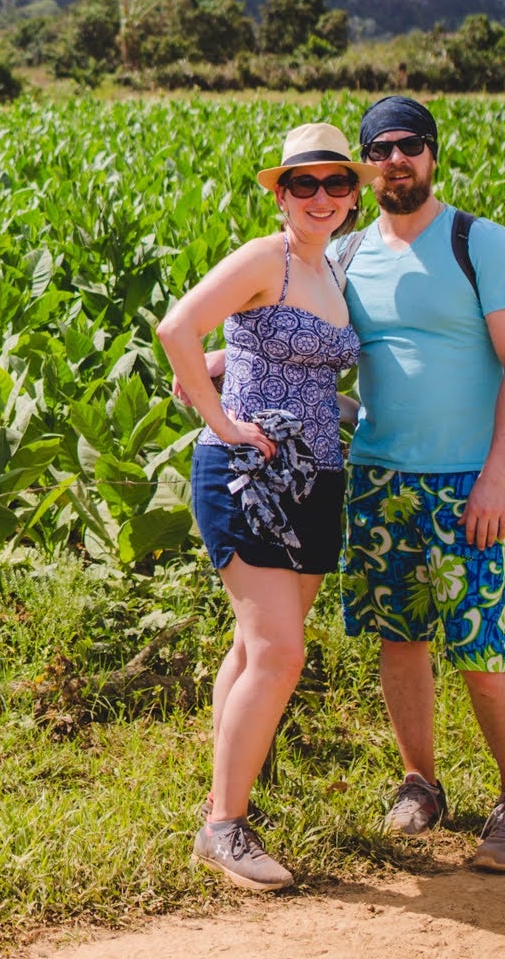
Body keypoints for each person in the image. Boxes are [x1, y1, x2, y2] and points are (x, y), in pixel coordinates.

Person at [335, 93, 505, 872]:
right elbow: (299, 336)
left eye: (411, 145)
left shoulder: (480, 242)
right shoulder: (348, 254)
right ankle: (421, 784)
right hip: (379, 476)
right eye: (382, 148)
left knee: (478, 642)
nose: (397, 159)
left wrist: (498, 477)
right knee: (400, 638)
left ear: (433, 156)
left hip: (465, 482)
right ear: (366, 167)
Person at [155, 121, 373, 892]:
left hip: (317, 480)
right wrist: (222, 423)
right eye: (303, 184)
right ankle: (224, 829)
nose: (321, 197)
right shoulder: (267, 257)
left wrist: (221, 366)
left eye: (336, 183)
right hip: (248, 477)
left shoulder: (333, 270)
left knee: (255, 651)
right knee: (281, 652)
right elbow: (177, 326)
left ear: (354, 192)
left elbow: (254, 351)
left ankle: (225, 793)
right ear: (279, 193)